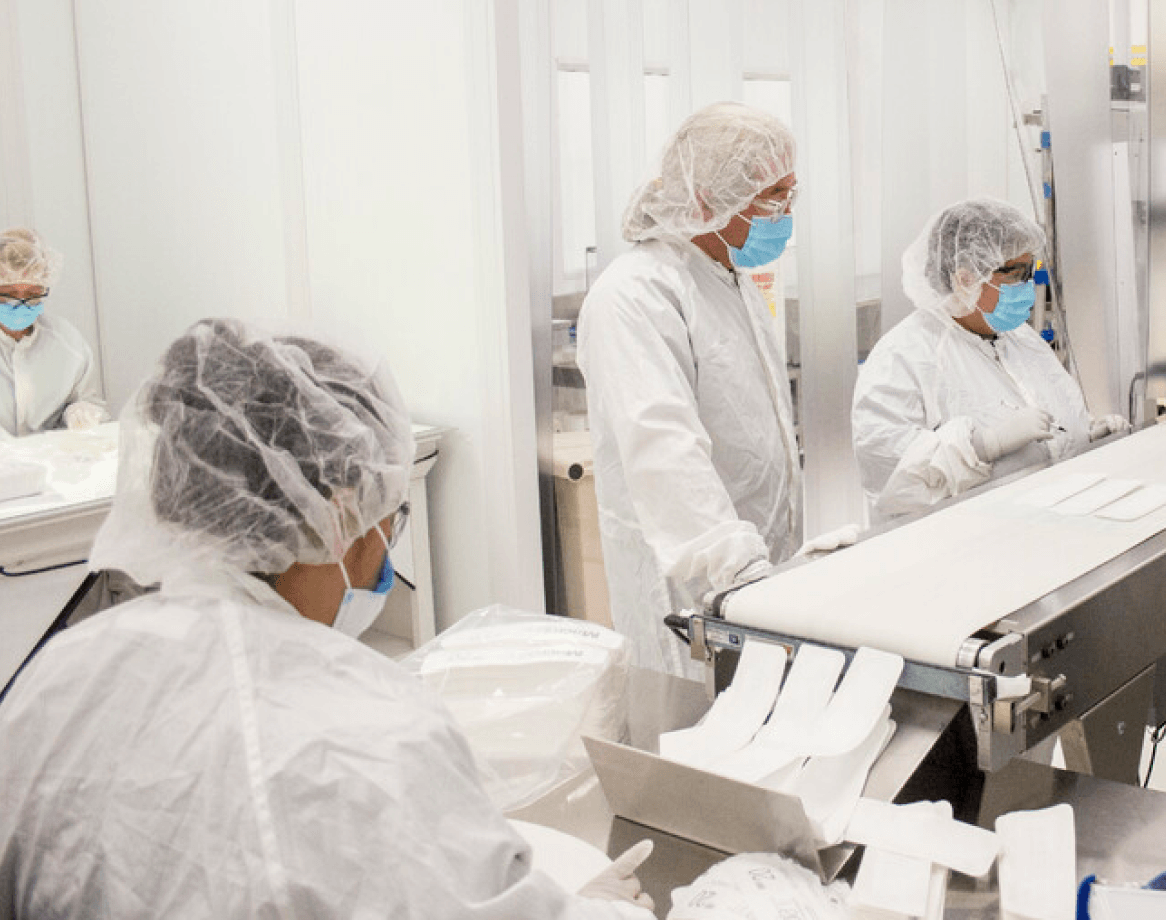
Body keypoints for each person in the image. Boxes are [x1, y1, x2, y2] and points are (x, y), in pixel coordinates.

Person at [0, 318, 654, 919]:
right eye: (388, 512)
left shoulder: (56, 678)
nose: (387, 542)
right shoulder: (367, 730)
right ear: (340, 513)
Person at [578, 102, 801, 679]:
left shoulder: (729, 277)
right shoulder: (636, 295)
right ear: (706, 200)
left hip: (757, 575)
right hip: (694, 590)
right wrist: (740, 569)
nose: (786, 214)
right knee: (692, 739)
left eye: (791, 195)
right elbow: (663, 448)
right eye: (773, 198)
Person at [852, 199, 1129, 523]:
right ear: (965, 278)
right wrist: (982, 446)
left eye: (1031, 270)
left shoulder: (1021, 339)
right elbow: (890, 481)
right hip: (962, 551)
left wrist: (1086, 439)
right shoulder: (903, 357)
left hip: (1042, 531)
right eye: (1016, 273)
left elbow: (1054, 422)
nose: (1027, 285)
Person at [0, 227, 110, 438]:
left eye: (32, 294)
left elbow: (88, 401)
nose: (21, 304)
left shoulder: (67, 344)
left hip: (50, 466)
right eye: (9, 294)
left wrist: (80, 412)